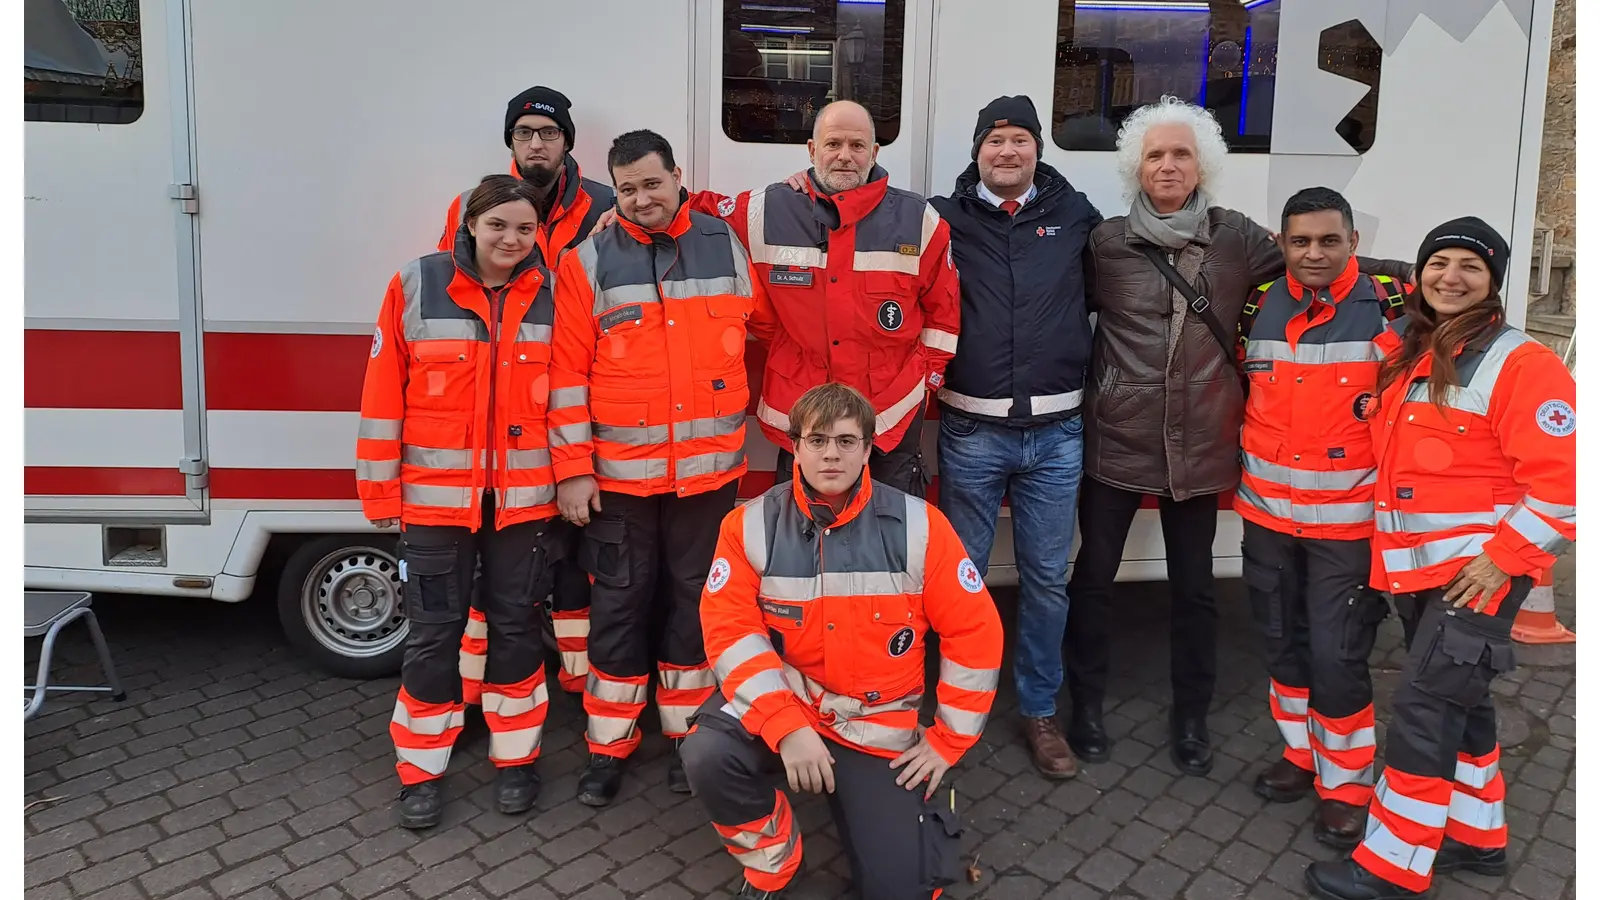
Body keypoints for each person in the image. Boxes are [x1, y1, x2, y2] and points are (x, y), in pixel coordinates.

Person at [1064, 96, 1410, 776]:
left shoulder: (1239, 238)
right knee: (1095, 583)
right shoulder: (1104, 243)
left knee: (1193, 591)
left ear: (1203, 166)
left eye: (1182, 153)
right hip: (1117, 440)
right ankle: (1087, 705)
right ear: (1138, 167)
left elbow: (1321, 264)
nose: (1169, 165)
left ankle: (1191, 716)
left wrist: (1431, 277)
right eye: (1156, 155)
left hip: (1202, 445)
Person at [1305, 218, 1576, 899]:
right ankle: (1476, 837)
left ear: (1493, 283)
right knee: (1467, 706)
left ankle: (1394, 865)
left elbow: (1566, 483)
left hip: (1475, 579)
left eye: (1470, 268)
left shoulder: (1523, 363)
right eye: (1439, 262)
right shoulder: (1417, 351)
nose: (1450, 276)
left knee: (1423, 713)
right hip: (1422, 571)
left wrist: (1502, 559)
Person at [682, 382, 1004, 900]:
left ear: (868, 447)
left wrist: (947, 741)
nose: (831, 453)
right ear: (796, 446)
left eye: (846, 441)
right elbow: (730, 632)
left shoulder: (922, 527)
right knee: (706, 753)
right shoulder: (749, 526)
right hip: (790, 699)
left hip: (875, 721)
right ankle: (773, 860)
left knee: (908, 888)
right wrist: (786, 727)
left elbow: (975, 632)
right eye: (817, 440)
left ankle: (892, 820)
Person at [547, 129, 777, 807]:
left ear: (678, 176)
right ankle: (607, 749)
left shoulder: (724, 243)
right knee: (617, 607)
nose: (642, 198)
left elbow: (761, 327)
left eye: (653, 183)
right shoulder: (585, 260)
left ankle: (686, 738)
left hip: (708, 479)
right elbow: (564, 376)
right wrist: (573, 471)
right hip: (618, 481)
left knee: (693, 608)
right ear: (612, 190)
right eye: (627, 188)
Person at [356, 175, 561, 829]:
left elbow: (570, 399)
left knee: (518, 634)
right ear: (470, 223)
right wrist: (380, 491)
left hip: (524, 508)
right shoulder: (415, 284)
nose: (512, 239)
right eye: (498, 224)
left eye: (525, 228)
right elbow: (383, 394)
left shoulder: (556, 293)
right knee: (433, 640)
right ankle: (419, 773)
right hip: (435, 509)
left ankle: (515, 762)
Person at [925, 95, 1102, 779]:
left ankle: (1037, 709)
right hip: (972, 429)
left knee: (1046, 582)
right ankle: (954, 708)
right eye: (994, 139)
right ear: (977, 150)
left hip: (1057, 433)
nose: (1007, 151)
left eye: (1019, 140)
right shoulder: (942, 218)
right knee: (961, 581)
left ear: (1037, 150)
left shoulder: (1075, 216)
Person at [1236, 187, 1411, 848]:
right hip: (1268, 518)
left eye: (1328, 240)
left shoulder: (1395, 304)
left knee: (1339, 656)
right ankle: (1301, 754)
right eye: (1300, 241)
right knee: (1282, 641)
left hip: (1348, 524)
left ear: (1352, 244)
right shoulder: (1257, 305)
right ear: (1281, 244)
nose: (1313, 253)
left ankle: (1345, 783)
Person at [688, 100, 961, 497]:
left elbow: (944, 315)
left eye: (857, 145)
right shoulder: (768, 210)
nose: (845, 156)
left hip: (890, 411)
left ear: (874, 153)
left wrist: (925, 380)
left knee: (890, 537)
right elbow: (696, 210)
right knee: (798, 535)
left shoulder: (919, 220)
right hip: (803, 411)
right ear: (812, 150)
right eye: (833, 144)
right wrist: (625, 212)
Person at [441, 86, 616, 702]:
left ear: (568, 140)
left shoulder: (605, 203)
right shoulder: (473, 203)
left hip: (577, 405)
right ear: (510, 142)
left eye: (548, 132)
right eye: (525, 133)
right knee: (491, 572)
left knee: (573, 561)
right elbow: (456, 300)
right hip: (500, 417)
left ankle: (576, 680)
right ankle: (469, 692)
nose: (536, 143)